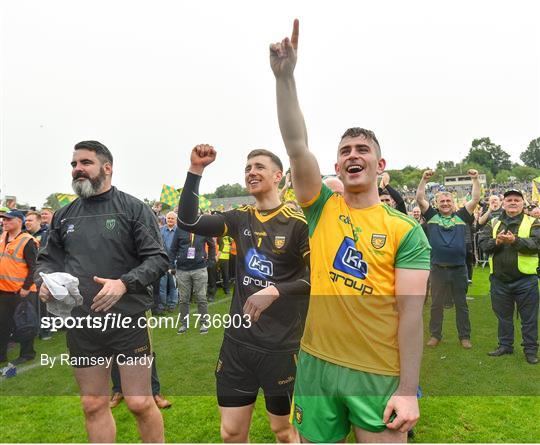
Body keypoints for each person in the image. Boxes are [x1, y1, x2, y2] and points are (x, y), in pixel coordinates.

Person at [271, 20, 431, 442]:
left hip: (376, 371)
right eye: (345, 152)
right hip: (317, 364)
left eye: (363, 150)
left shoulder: (407, 230)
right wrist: (285, 78)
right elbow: (296, 145)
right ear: (337, 166)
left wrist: (408, 390)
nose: (353, 155)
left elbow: (411, 315)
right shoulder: (322, 207)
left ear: (380, 166)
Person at [36, 140, 169, 443]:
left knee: (139, 402)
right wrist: (43, 280)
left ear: (106, 168)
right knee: (93, 404)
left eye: (85, 163)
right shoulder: (63, 215)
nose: (77, 169)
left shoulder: (133, 208)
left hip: (127, 320)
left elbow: (159, 258)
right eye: (74, 164)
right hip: (82, 323)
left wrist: (124, 283)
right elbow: (47, 259)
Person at [177, 144, 310, 443]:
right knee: (231, 432)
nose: (251, 172)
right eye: (248, 168)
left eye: (259, 167)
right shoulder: (239, 218)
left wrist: (277, 290)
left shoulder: (298, 224)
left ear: (278, 176)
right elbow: (189, 221)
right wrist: (195, 170)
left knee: (284, 431)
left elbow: (319, 279)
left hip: (280, 348)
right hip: (237, 345)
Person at [416, 169, 480, 348]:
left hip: (459, 269)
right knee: (436, 305)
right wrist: (423, 179)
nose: (445, 203)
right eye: (442, 201)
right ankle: (435, 335)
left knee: (461, 305)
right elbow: (420, 198)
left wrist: (474, 179)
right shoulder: (432, 217)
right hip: (437, 269)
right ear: (436, 203)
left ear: (454, 203)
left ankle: (464, 337)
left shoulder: (461, 216)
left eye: (448, 201)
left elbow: (475, 199)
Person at [478, 190, 539, 365]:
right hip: (499, 280)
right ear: (503, 203)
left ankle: (530, 350)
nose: (513, 202)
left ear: (523, 203)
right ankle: (505, 345)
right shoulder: (493, 222)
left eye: (516, 200)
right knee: (503, 317)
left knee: (529, 319)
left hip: (526, 280)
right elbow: (483, 245)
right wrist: (496, 242)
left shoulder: (533, 222)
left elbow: (537, 244)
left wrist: (515, 241)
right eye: (509, 200)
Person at [0, 210, 38, 365]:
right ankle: (2, 355)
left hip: (22, 292)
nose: (4, 222)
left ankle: (27, 353)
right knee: (2, 324)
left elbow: (34, 266)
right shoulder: (3, 237)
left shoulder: (27, 240)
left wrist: (26, 287)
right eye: (4, 219)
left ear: (19, 221)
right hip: (4, 290)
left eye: (9, 219)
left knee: (25, 324)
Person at [170, 225, 215, 335]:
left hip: (199, 269)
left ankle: (204, 323)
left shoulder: (203, 228)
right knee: (183, 299)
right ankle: (183, 324)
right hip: (182, 270)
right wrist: (171, 266)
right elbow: (173, 248)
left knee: (201, 298)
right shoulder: (180, 229)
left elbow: (212, 245)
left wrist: (211, 261)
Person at [158, 211, 179, 313]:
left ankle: (172, 304)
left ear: (176, 220)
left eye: (172, 218)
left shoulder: (179, 231)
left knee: (173, 284)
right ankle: (162, 305)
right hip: (162, 261)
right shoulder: (160, 230)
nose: (170, 220)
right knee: (162, 284)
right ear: (165, 219)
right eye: (168, 218)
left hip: (174, 261)